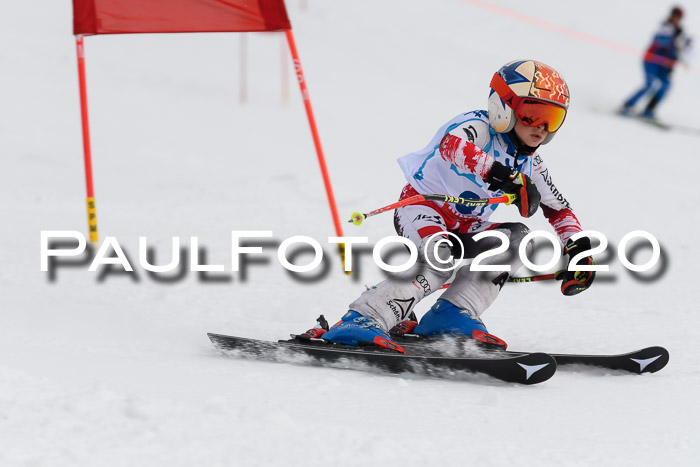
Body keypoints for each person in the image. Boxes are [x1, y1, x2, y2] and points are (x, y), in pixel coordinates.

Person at [315, 60, 596, 354]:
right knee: (440, 255)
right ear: (503, 107)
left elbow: (559, 209)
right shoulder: (477, 126)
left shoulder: (531, 163)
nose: (540, 127)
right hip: (424, 208)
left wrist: (579, 250)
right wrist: (506, 177)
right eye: (531, 114)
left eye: (551, 119)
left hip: (468, 224)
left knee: (517, 239)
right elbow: (452, 147)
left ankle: (451, 314)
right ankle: (362, 317)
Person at [621, 6, 692, 119]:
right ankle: (627, 105)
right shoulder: (665, 27)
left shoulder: (681, 33)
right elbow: (660, 40)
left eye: (679, 17)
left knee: (665, 85)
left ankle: (649, 110)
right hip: (652, 60)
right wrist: (674, 42)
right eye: (675, 16)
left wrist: (683, 51)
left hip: (663, 65)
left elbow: (683, 52)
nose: (676, 19)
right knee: (650, 84)